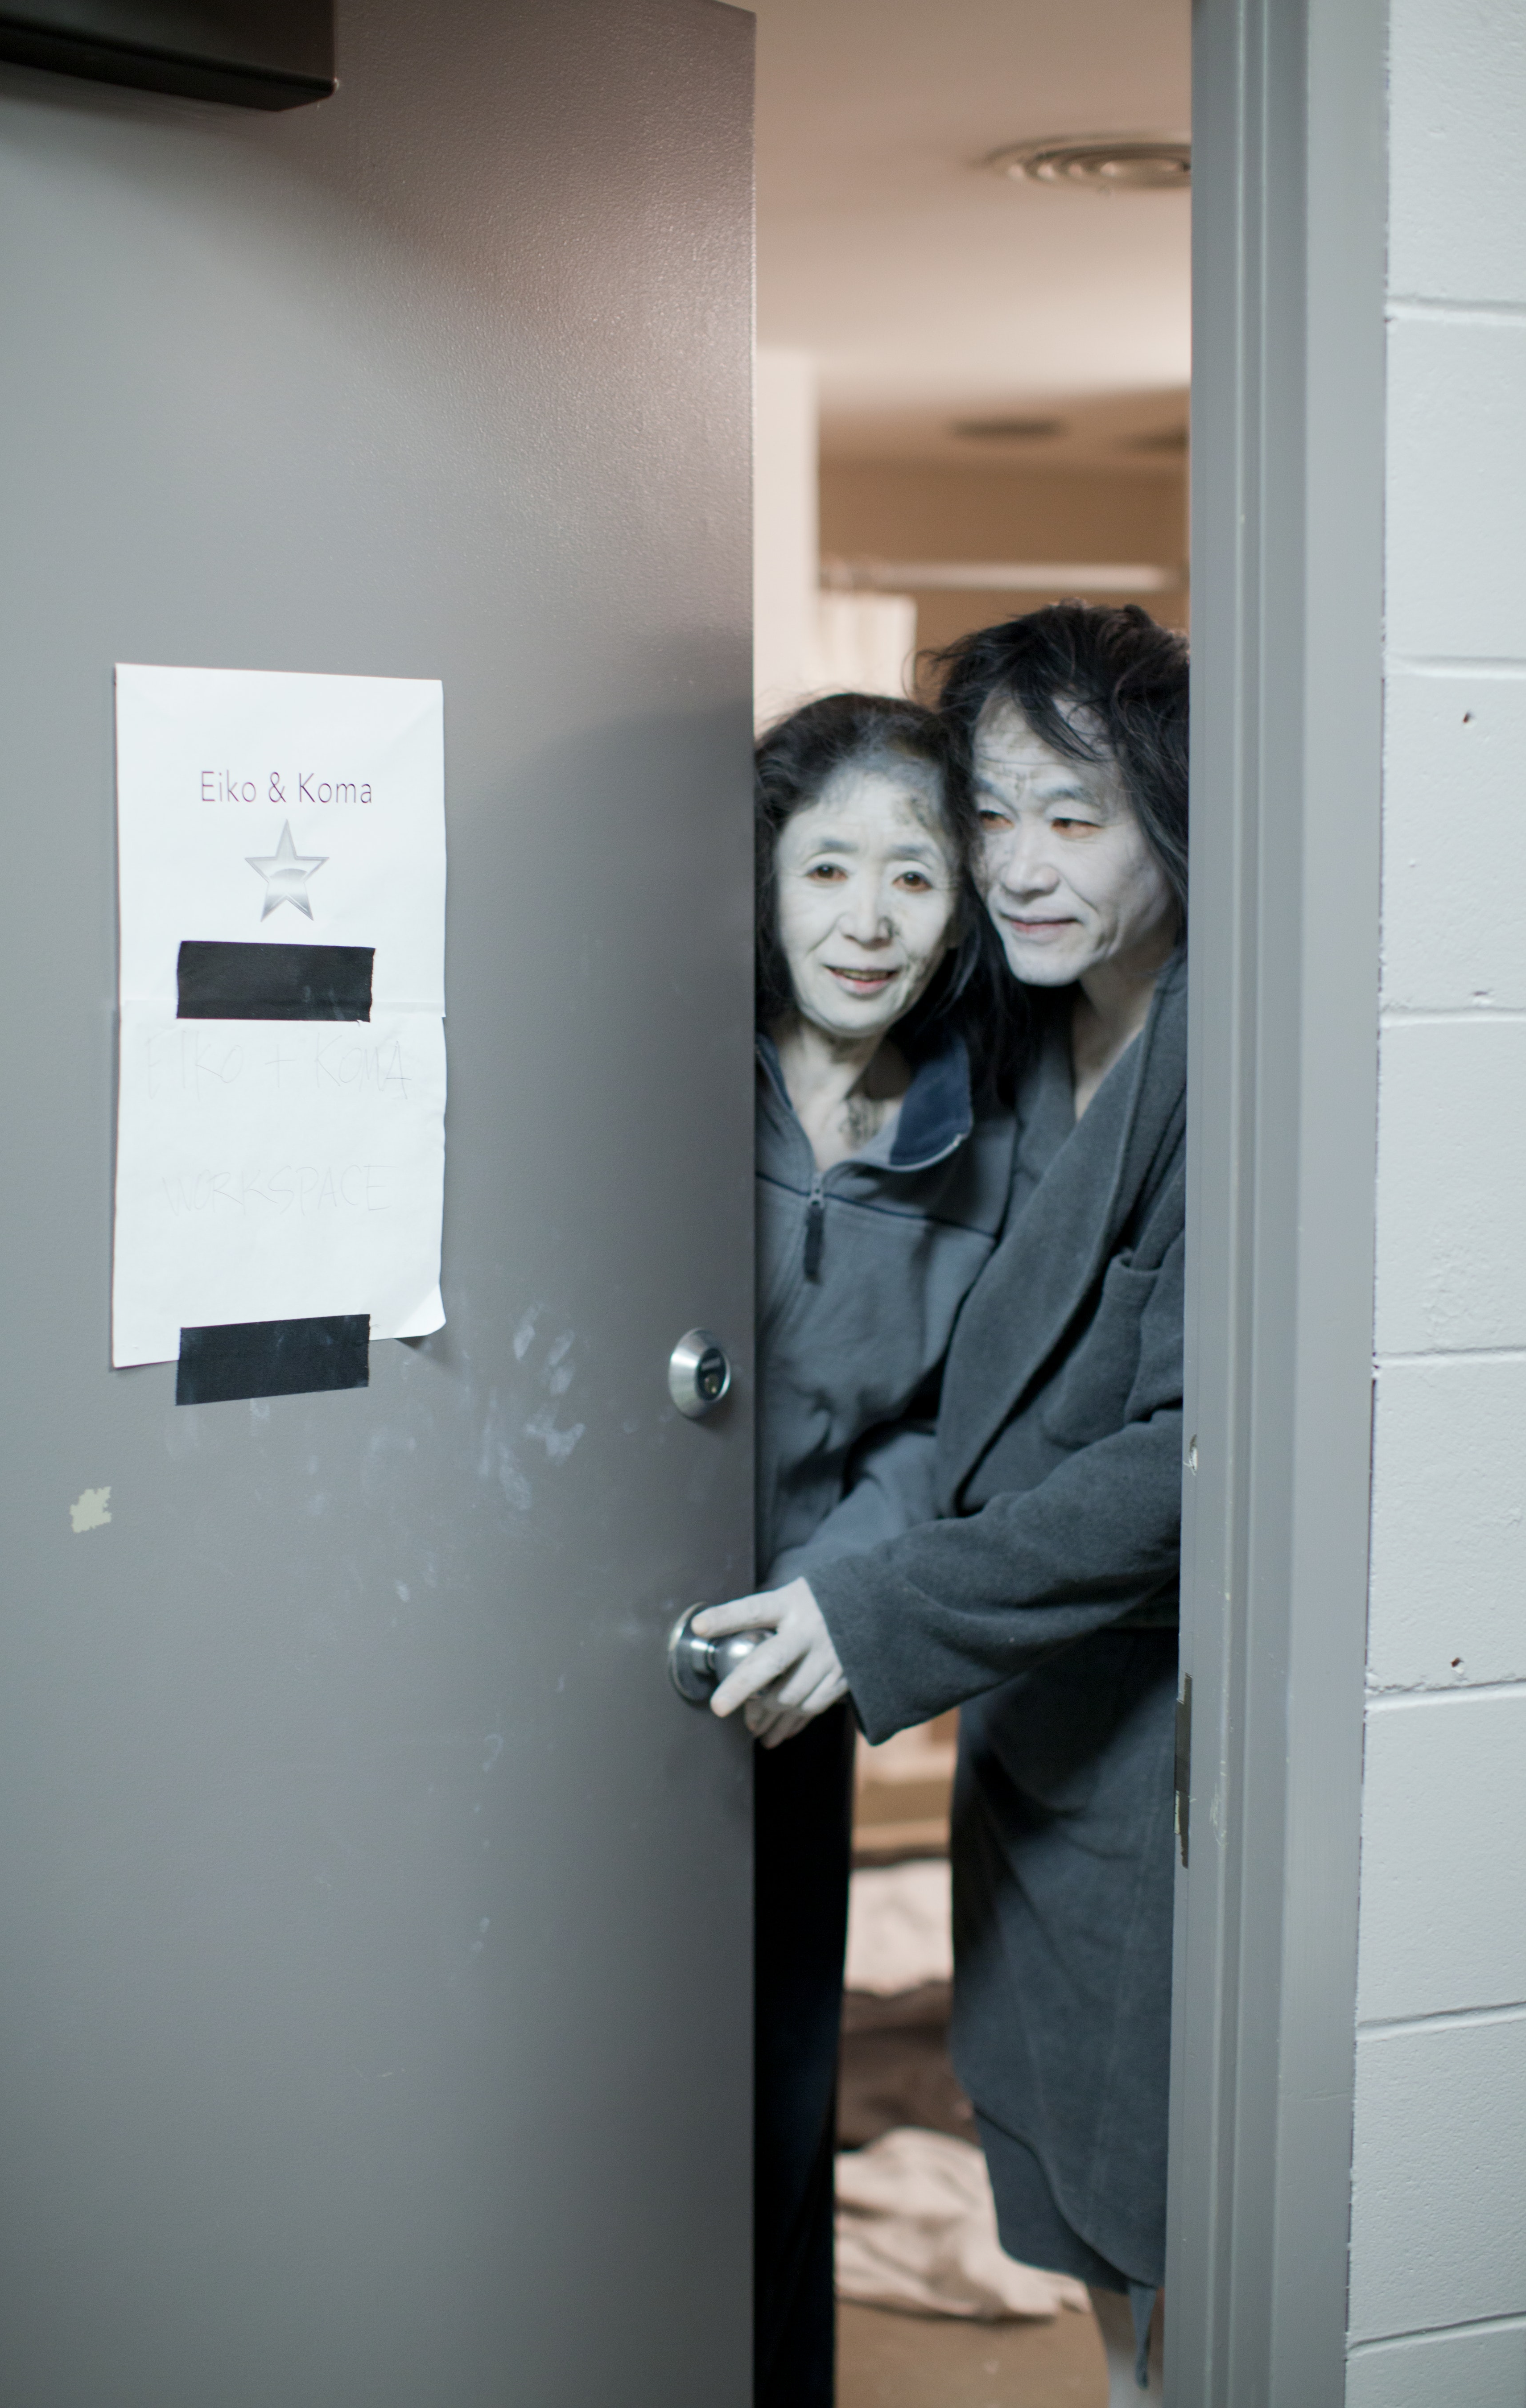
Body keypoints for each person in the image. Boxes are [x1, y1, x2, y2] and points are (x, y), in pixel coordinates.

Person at [701, 606, 1189, 2405]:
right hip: (755, 1665)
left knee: (1129, 2212)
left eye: (1073, 819)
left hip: (955, 1688)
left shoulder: (1071, 1098)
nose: (1012, 872)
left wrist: (858, 1596)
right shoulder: (699, 1086)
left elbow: (1052, 1435)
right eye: (1000, 819)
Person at [747, 690, 1019, 2408]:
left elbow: (952, 1425)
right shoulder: (652, 1076)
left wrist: (841, 1591)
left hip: (797, 1668)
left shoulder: (984, 1138)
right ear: (761, 882)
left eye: (913, 878)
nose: (867, 919)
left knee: (775, 2122)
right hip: (589, 1661)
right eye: (825, 866)